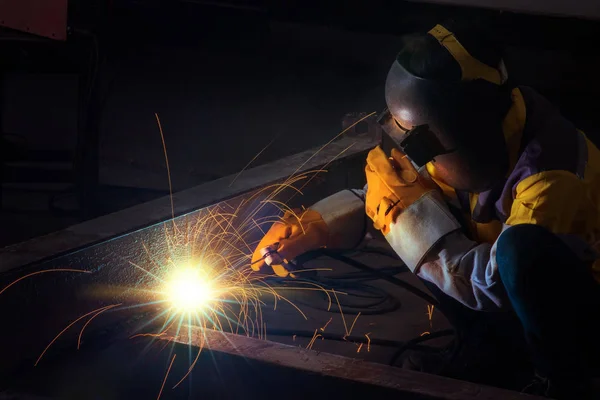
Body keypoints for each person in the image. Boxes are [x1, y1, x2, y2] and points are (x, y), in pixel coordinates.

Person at [251, 20, 600, 398]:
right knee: (428, 215)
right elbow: (389, 195)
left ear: (461, 127)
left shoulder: (552, 179)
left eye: (420, 140)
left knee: (512, 250)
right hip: (517, 299)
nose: (414, 153)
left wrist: (410, 220)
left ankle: (563, 380)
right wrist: (311, 229)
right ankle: (488, 354)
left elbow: (494, 284)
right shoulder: (479, 139)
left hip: (584, 315)